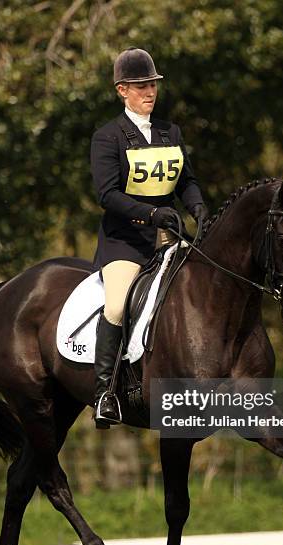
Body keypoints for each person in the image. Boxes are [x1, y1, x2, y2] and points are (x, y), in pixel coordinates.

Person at [90, 47, 208, 427]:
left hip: (170, 240)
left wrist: (199, 208)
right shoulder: (108, 137)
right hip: (125, 244)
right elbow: (107, 194)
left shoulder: (169, 131)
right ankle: (105, 392)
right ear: (122, 90)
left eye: (153, 84)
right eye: (141, 86)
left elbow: (185, 180)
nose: (149, 92)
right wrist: (153, 213)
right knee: (117, 307)